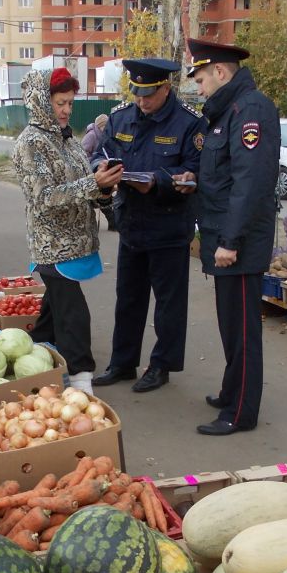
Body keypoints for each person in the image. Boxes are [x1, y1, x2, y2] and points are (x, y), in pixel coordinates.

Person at [173, 38, 280, 436]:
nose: (199, 89)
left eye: (200, 79)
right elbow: (225, 173)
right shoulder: (227, 112)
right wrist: (195, 180)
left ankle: (240, 412)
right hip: (225, 236)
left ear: (220, 72)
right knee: (229, 325)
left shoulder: (249, 109)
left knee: (243, 331)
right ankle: (231, 391)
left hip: (239, 243)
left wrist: (231, 242)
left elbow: (250, 183)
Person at [90, 58, 204, 394]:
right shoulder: (121, 118)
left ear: (165, 89)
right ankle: (123, 363)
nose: (143, 101)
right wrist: (103, 170)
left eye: (149, 94)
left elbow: (195, 171)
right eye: (138, 93)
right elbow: (100, 153)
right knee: (128, 298)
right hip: (132, 224)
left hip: (168, 225)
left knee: (168, 304)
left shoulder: (187, 124)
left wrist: (159, 182)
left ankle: (161, 365)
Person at [12, 67, 122, 394]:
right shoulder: (31, 143)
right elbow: (44, 197)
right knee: (73, 313)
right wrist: (93, 183)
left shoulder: (68, 138)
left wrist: (102, 184)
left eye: (71, 103)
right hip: (52, 246)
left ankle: (28, 360)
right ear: (42, 102)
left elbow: (80, 183)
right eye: (60, 103)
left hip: (77, 243)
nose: (66, 110)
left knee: (52, 313)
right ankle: (81, 380)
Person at [81, 114, 117, 232]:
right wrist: (94, 163)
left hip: (100, 170)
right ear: (101, 126)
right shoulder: (91, 135)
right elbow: (83, 154)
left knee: (103, 196)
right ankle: (111, 222)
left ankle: (112, 222)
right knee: (97, 197)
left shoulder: (103, 136)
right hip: (89, 171)